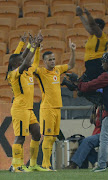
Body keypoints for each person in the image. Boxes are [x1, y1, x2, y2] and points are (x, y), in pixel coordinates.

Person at [6, 32, 48, 172]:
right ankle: (16, 165)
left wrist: (33, 46)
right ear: (16, 64)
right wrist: (33, 46)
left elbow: (28, 60)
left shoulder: (27, 72)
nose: (26, 61)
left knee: (36, 133)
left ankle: (33, 164)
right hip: (20, 109)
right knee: (20, 137)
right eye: (22, 61)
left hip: (28, 110)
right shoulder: (14, 74)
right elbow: (23, 60)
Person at [34, 39, 76, 171]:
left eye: (53, 59)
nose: (53, 61)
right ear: (44, 61)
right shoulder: (41, 72)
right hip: (47, 109)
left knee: (52, 138)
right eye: (50, 60)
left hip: (57, 108)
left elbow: (70, 65)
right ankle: (45, 164)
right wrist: (36, 51)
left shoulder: (58, 70)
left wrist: (73, 51)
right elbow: (33, 68)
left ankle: (47, 164)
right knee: (47, 136)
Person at [76, 6, 108, 81]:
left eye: (93, 26)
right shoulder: (92, 36)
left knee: (88, 85)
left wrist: (88, 15)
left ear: (98, 27)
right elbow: (88, 26)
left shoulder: (101, 36)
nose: (90, 27)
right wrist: (80, 15)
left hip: (97, 63)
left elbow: (92, 25)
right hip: (90, 64)